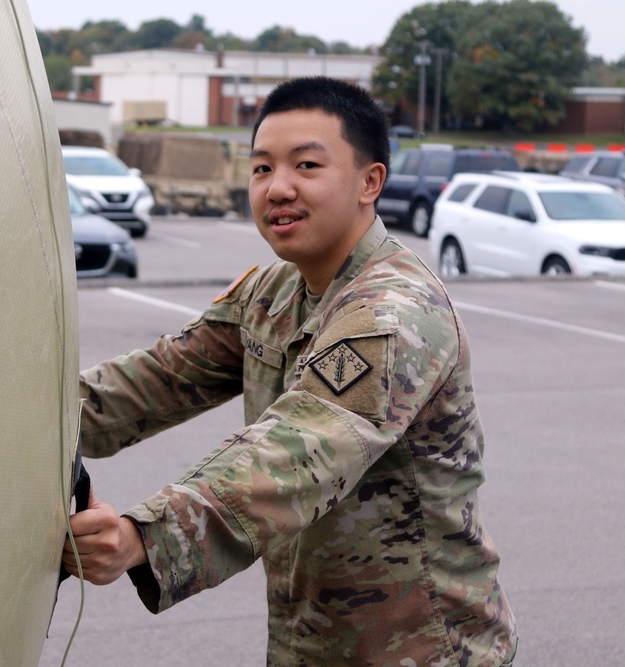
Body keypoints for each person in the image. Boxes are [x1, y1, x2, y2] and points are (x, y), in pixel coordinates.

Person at [63, 76, 518, 666]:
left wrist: (142, 538)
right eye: (260, 169)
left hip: (424, 649)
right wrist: (18, 420)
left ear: (369, 182)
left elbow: (296, 452)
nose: (278, 188)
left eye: (306, 165)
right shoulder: (275, 291)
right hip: (315, 641)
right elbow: (155, 381)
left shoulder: (393, 312)